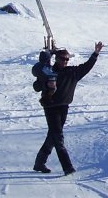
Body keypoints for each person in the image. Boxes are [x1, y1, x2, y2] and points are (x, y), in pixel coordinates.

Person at [33, 42, 103, 176]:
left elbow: (87, 67)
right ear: (56, 59)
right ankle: (68, 167)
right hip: (50, 107)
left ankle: (39, 162)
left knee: (53, 136)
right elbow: (36, 87)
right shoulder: (48, 71)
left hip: (64, 107)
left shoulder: (73, 72)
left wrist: (95, 53)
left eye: (67, 59)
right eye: (62, 59)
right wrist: (42, 82)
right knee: (58, 137)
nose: (65, 61)